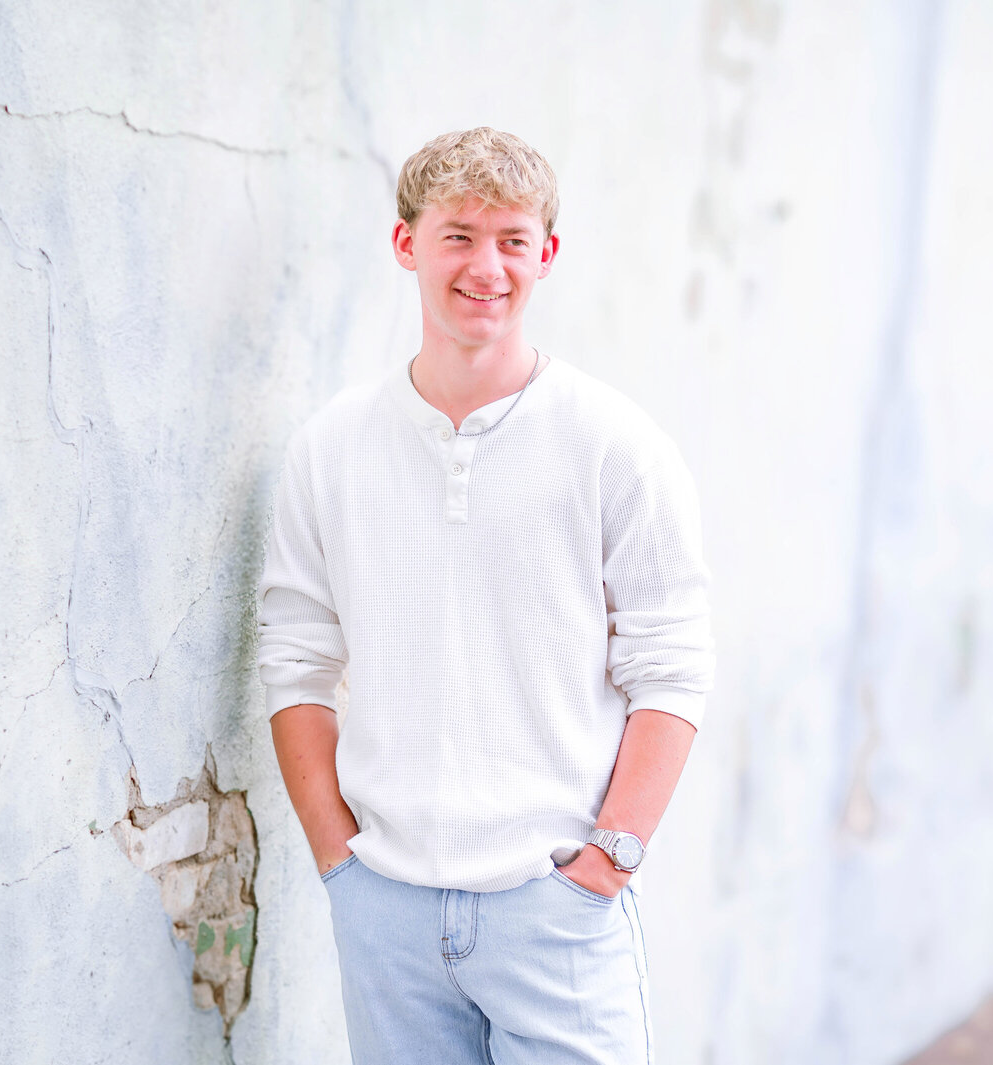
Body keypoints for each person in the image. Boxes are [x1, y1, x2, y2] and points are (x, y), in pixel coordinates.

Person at [255, 126, 714, 1064]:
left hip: (555, 909)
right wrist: (340, 862)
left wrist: (610, 860)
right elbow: (295, 659)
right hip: (385, 910)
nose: (486, 267)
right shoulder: (330, 448)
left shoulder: (615, 444)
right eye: (458, 235)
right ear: (406, 244)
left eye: (512, 239)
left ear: (547, 253)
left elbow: (672, 667)